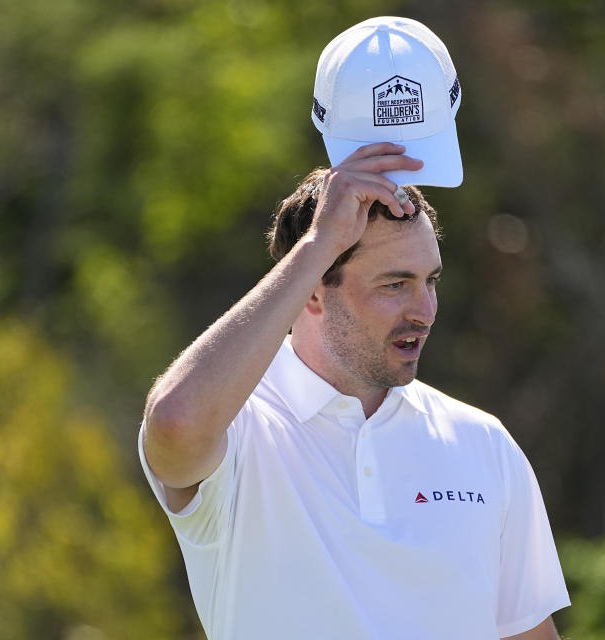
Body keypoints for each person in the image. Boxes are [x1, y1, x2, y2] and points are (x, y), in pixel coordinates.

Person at [139, 16, 569, 640]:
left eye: (431, 280)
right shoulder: (244, 433)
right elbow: (174, 426)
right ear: (312, 289)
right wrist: (319, 242)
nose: (424, 309)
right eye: (395, 285)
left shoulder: (484, 446)